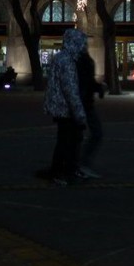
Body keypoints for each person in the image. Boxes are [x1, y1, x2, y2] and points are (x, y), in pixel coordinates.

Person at [39, 28, 88, 185]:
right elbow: (70, 89)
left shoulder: (62, 57)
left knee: (68, 140)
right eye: (82, 43)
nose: (83, 47)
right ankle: (59, 173)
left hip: (61, 107)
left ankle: (67, 170)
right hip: (65, 109)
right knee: (66, 141)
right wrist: (79, 113)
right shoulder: (67, 61)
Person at [76, 38, 105, 179]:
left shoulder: (81, 60)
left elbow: (88, 82)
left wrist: (98, 88)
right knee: (95, 133)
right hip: (82, 104)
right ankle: (80, 165)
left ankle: (77, 164)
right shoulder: (80, 61)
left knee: (78, 135)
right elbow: (83, 83)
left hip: (83, 103)